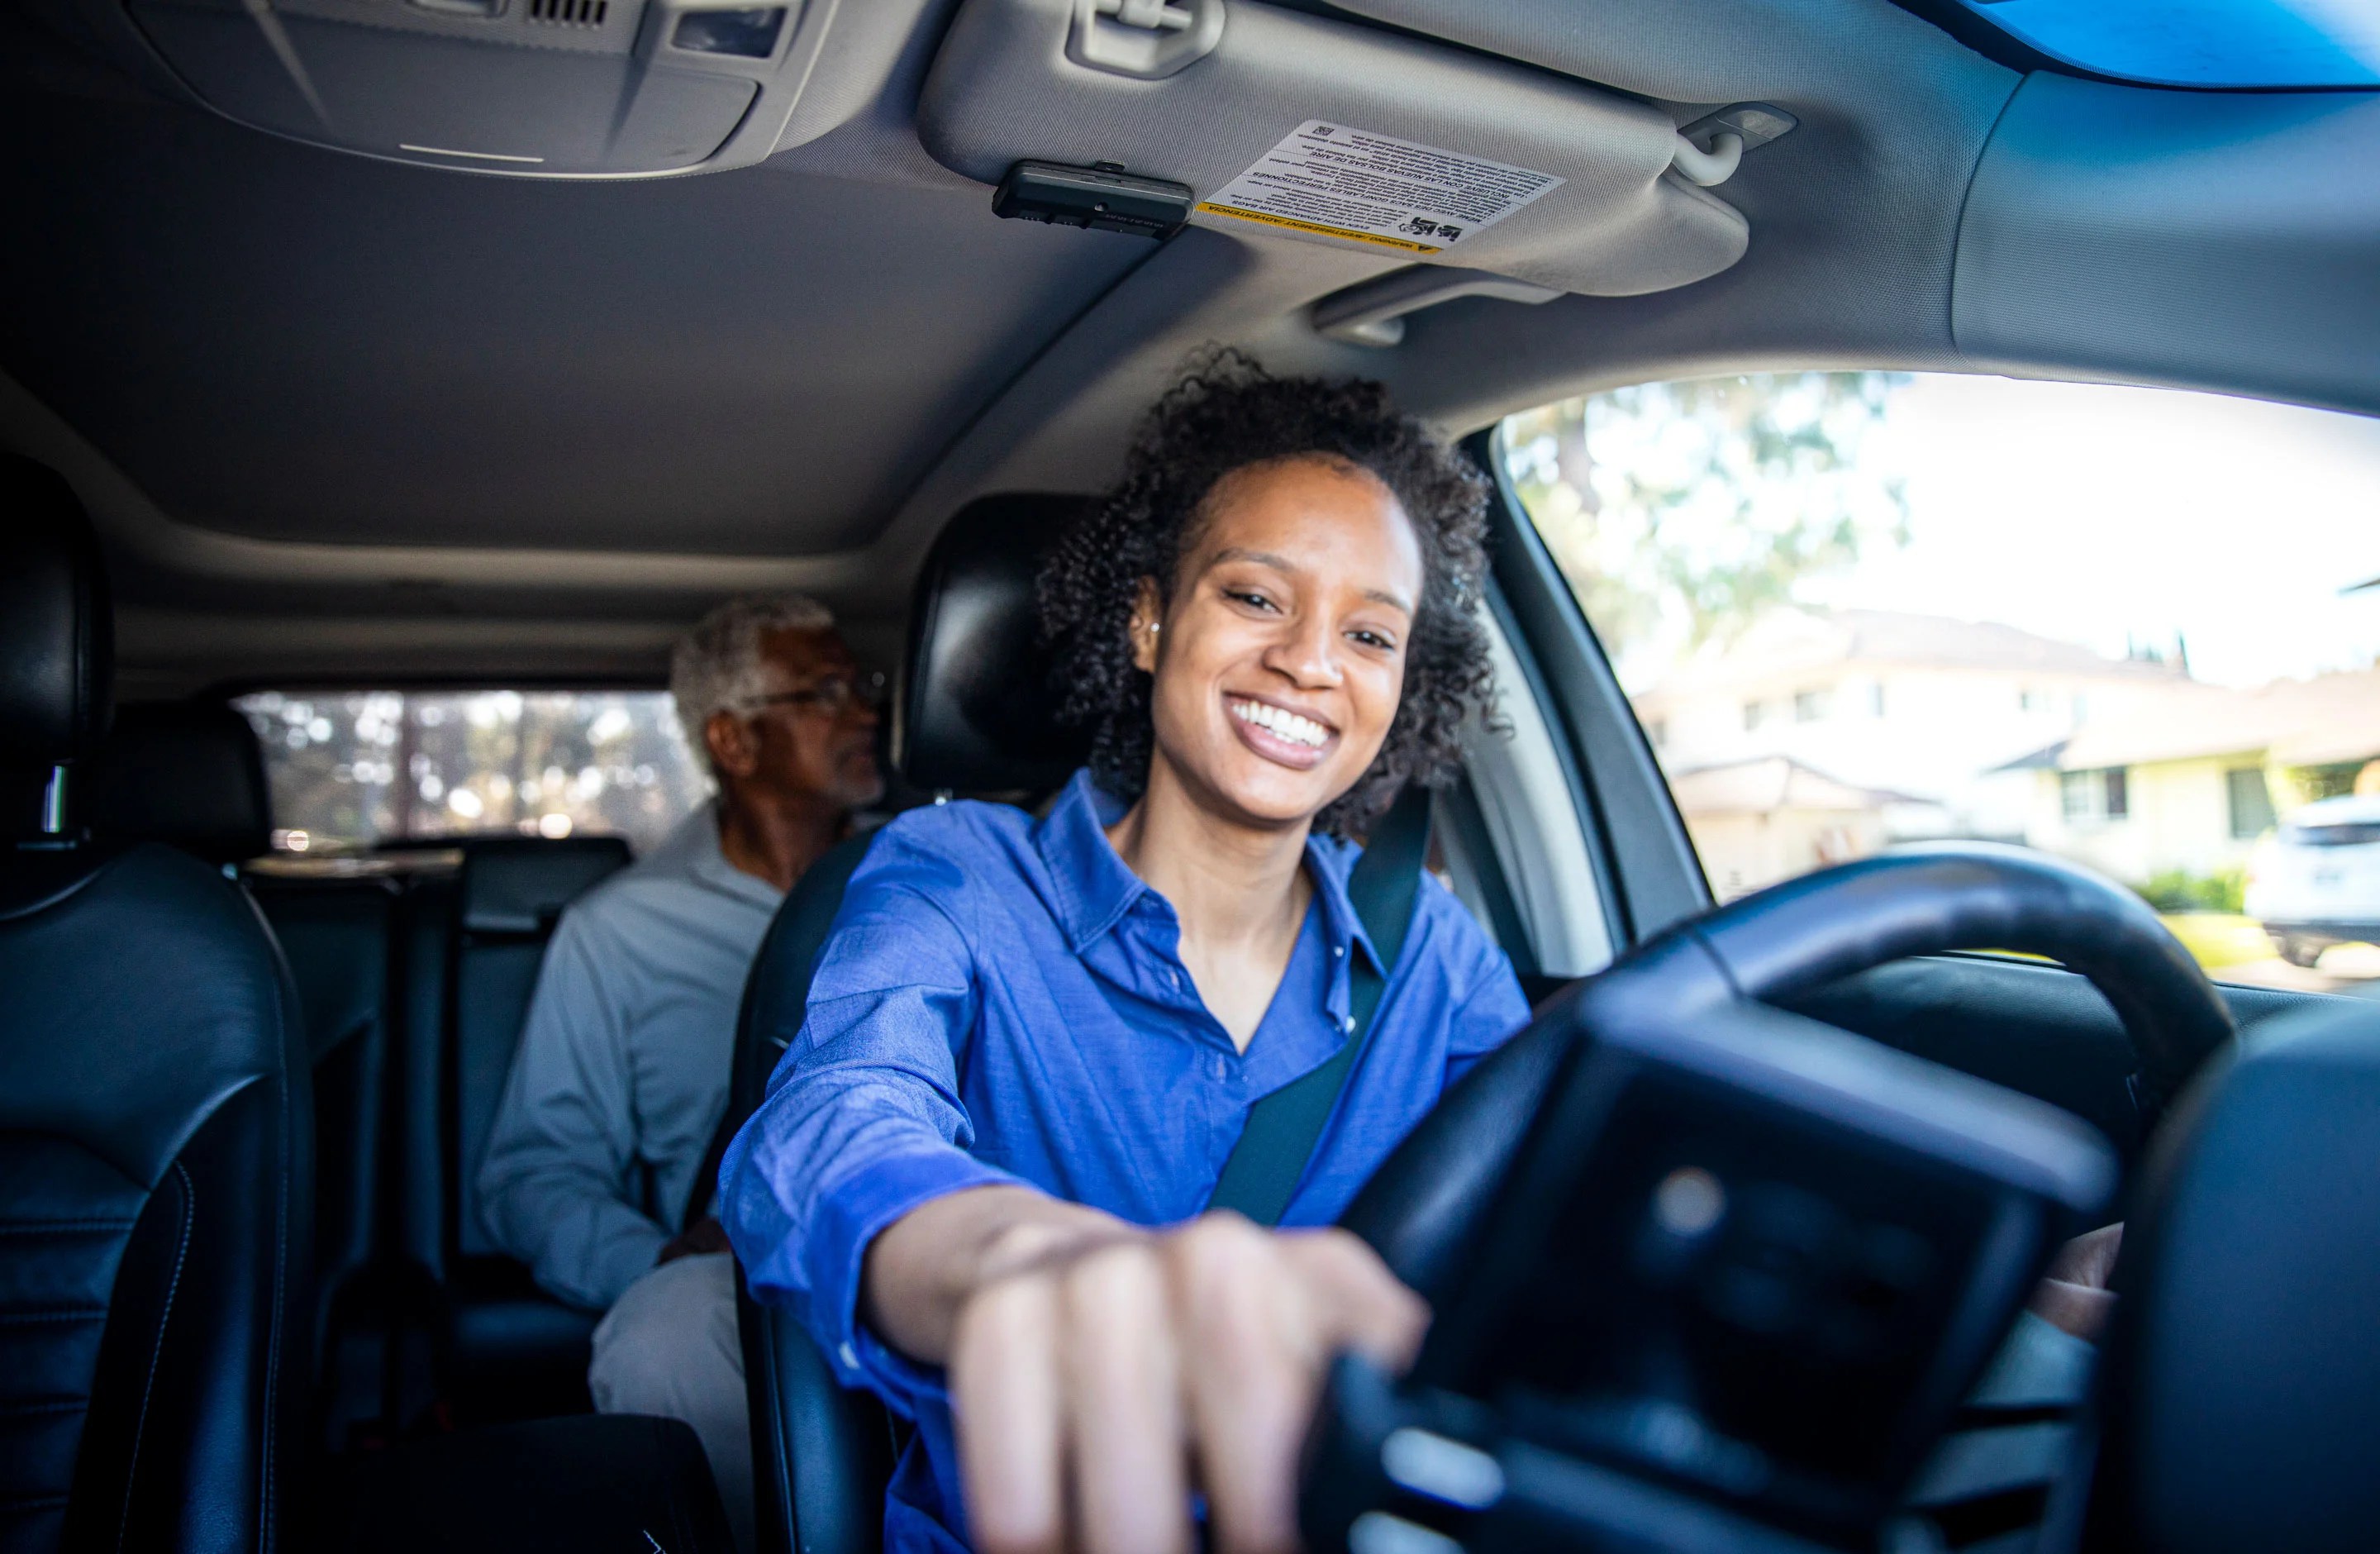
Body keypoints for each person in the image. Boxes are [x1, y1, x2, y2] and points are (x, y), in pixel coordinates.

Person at [719, 355, 2121, 1554]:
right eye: (1256, 599)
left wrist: (2014, 1311)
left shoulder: (1435, 954)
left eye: (1370, 632)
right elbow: (837, 1125)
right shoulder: (957, 879)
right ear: (1152, 619)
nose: (1311, 663)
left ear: (1404, 687)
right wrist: (1017, 1257)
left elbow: (1572, 1224)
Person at [478, 591, 883, 1549]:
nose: (865, 710)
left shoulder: (941, 878)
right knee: (663, 1329)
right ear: (732, 741)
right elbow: (532, 1173)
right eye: (826, 690)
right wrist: (663, 1256)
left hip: (947, 1230)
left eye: (862, 684)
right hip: (736, 1276)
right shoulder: (618, 931)